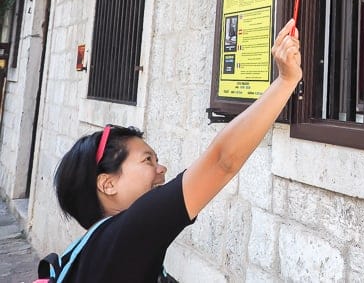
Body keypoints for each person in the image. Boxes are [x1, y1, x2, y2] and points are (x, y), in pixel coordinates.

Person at [51, 20, 302, 282]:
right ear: (108, 184)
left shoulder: (99, 252)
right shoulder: (126, 235)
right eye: (147, 160)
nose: (161, 169)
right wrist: (286, 79)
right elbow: (222, 162)